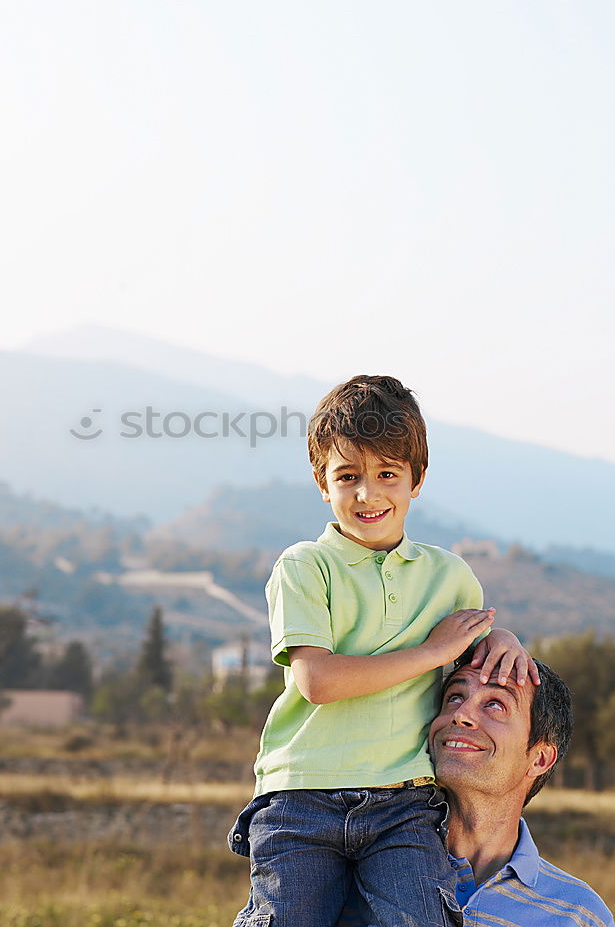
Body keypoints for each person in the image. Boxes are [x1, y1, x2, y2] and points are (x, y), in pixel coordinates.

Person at [229, 374, 535, 927]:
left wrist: (502, 638)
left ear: (416, 480)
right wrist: (430, 651)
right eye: (348, 476)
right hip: (302, 797)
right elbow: (317, 681)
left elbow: (465, 661)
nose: (367, 494)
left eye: (387, 474)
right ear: (323, 484)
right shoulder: (304, 566)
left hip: (405, 804)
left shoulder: (452, 577)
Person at [429, 657, 614, 926]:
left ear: (539, 759)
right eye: (455, 697)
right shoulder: (371, 868)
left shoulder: (578, 915)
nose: (461, 714)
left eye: (495, 704)